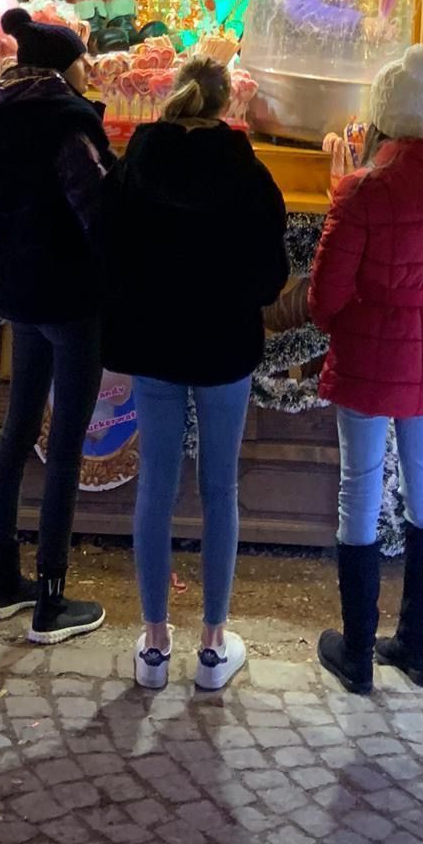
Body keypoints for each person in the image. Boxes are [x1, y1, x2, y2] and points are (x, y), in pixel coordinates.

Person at [99, 54, 288, 692]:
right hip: (223, 348)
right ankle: (212, 645)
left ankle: (154, 644)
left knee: (155, 485)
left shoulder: (136, 164)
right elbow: (269, 276)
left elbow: (107, 248)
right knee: (219, 489)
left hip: (153, 345)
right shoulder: (248, 172)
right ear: (224, 105)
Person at [309, 44, 423, 695]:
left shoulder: (361, 190)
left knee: (359, 488)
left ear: (382, 118)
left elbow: (326, 297)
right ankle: (419, 645)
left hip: (365, 358)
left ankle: (356, 652)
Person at [0, 5, 114, 643]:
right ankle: (52, 599)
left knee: (18, 429)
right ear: (64, 68)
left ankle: (4, 582)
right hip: (71, 297)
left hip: (18, 293)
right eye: (83, 62)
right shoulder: (63, 123)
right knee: (66, 445)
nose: (90, 71)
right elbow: (97, 207)